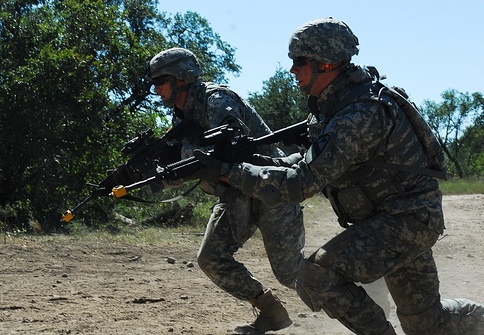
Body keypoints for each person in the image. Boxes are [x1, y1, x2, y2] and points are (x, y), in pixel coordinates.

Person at [194, 18, 484, 335]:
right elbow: (301, 163)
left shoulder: (360, 113)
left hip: (407, 223)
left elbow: (300, 183)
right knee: (428, 326)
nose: (292, 70)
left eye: (299, 62)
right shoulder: (333, 107)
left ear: (327, 62)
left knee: (315, 275)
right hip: (395, 222)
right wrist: (249, 164)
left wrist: (230, 173)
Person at [145, 47, 305, 334]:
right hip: (234, 192)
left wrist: (181, 153)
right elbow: (191, 168)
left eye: (161, 81)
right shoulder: (180, 118)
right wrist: (162, 172)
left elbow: (228, 151)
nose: (156, 89)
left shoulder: (217, 99)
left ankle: (359, 292)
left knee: (291, 272)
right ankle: (271, 312)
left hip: (269, 188)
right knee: (211, 258)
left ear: (181, 78)